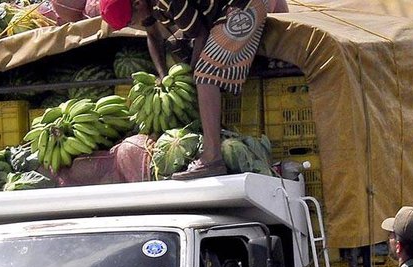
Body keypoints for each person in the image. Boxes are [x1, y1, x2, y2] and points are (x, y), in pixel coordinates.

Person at [102, 0, 286, 179]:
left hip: (243, 5)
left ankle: (212, 158)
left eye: (130, 22)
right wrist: (164, 75)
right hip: (220, 12)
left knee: (205, 75)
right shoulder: (149, 6)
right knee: (200, 72)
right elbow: (153, 35)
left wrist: (189, 75)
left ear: (137, 4)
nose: (134, 26)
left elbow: (200, 34)